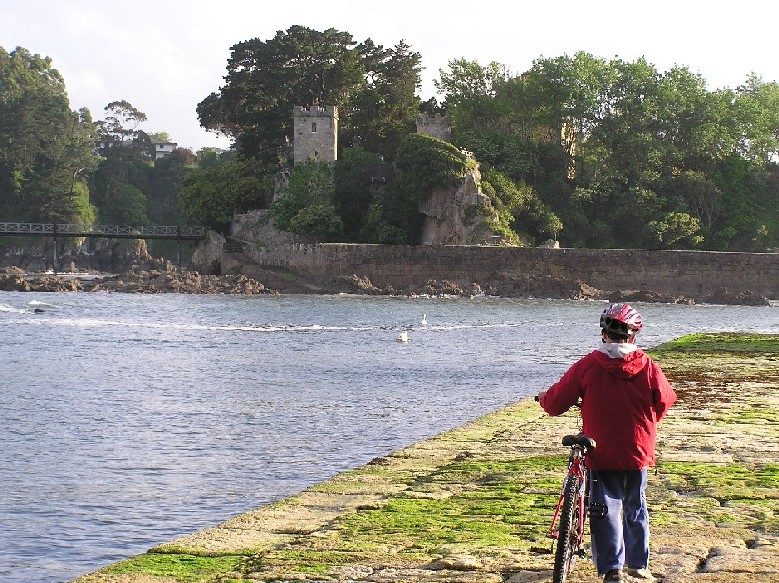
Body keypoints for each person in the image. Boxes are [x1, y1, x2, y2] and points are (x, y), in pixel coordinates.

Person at [537, 303, 677, 583]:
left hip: (600, 449)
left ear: (604, 333)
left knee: (605, 507)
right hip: (637, 448)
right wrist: (646, 425)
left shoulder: (590, 365)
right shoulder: (648, 366)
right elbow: (665, 400)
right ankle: (638, 564)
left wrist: (543, 399)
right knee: (636, 504)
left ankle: (613, 569)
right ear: (633, 336)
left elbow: (557, 402)